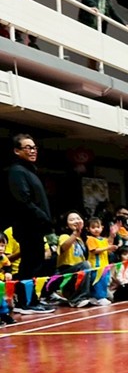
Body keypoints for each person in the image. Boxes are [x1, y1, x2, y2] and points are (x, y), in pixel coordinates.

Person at [7, 134, 56, 315]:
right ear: (17, 151)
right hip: (27, 226)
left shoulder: (30, 171)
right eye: (28, 147)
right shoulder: (17, 171)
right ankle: (25, 302)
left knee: (35, 264)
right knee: (29, 265)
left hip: (36, 227)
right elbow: (23, 200)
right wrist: (42, 217)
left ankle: (32, 300)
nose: (33, 151)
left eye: (34, 147)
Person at [85, 216, 117, 305]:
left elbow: (109, 244)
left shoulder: (103, 239)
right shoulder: (90, 239)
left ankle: (97, 297)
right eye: (93, 227)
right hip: (96, 265)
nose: (96, 229)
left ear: (102, 228)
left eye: (98, 227)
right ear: (88, 229)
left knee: (104, 281)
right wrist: (108, 247)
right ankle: (100, 298)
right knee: (97, 281)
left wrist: (112, 235)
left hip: (105, 265)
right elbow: (94, 250)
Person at [0, 232, 17, 326]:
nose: (1, 248)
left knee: (2, 301)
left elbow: (8, 266)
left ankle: (4, 315)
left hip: (1, 284)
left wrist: (8, 272)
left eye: (3, 246)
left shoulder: (3, 257)